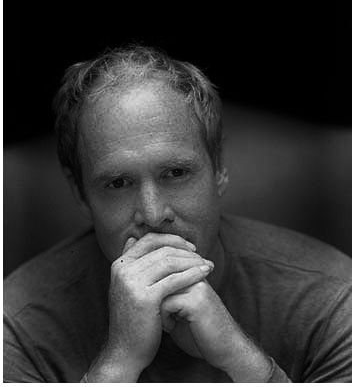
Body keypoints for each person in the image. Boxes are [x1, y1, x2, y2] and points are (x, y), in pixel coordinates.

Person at [4, 45, 351, 383]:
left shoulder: (336, 298)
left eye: (175, 173)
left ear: (219, 169)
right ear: (80, 193)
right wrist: (119, 363)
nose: (153, 214)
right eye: (118, 183)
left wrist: (241, 359)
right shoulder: (17, 324)